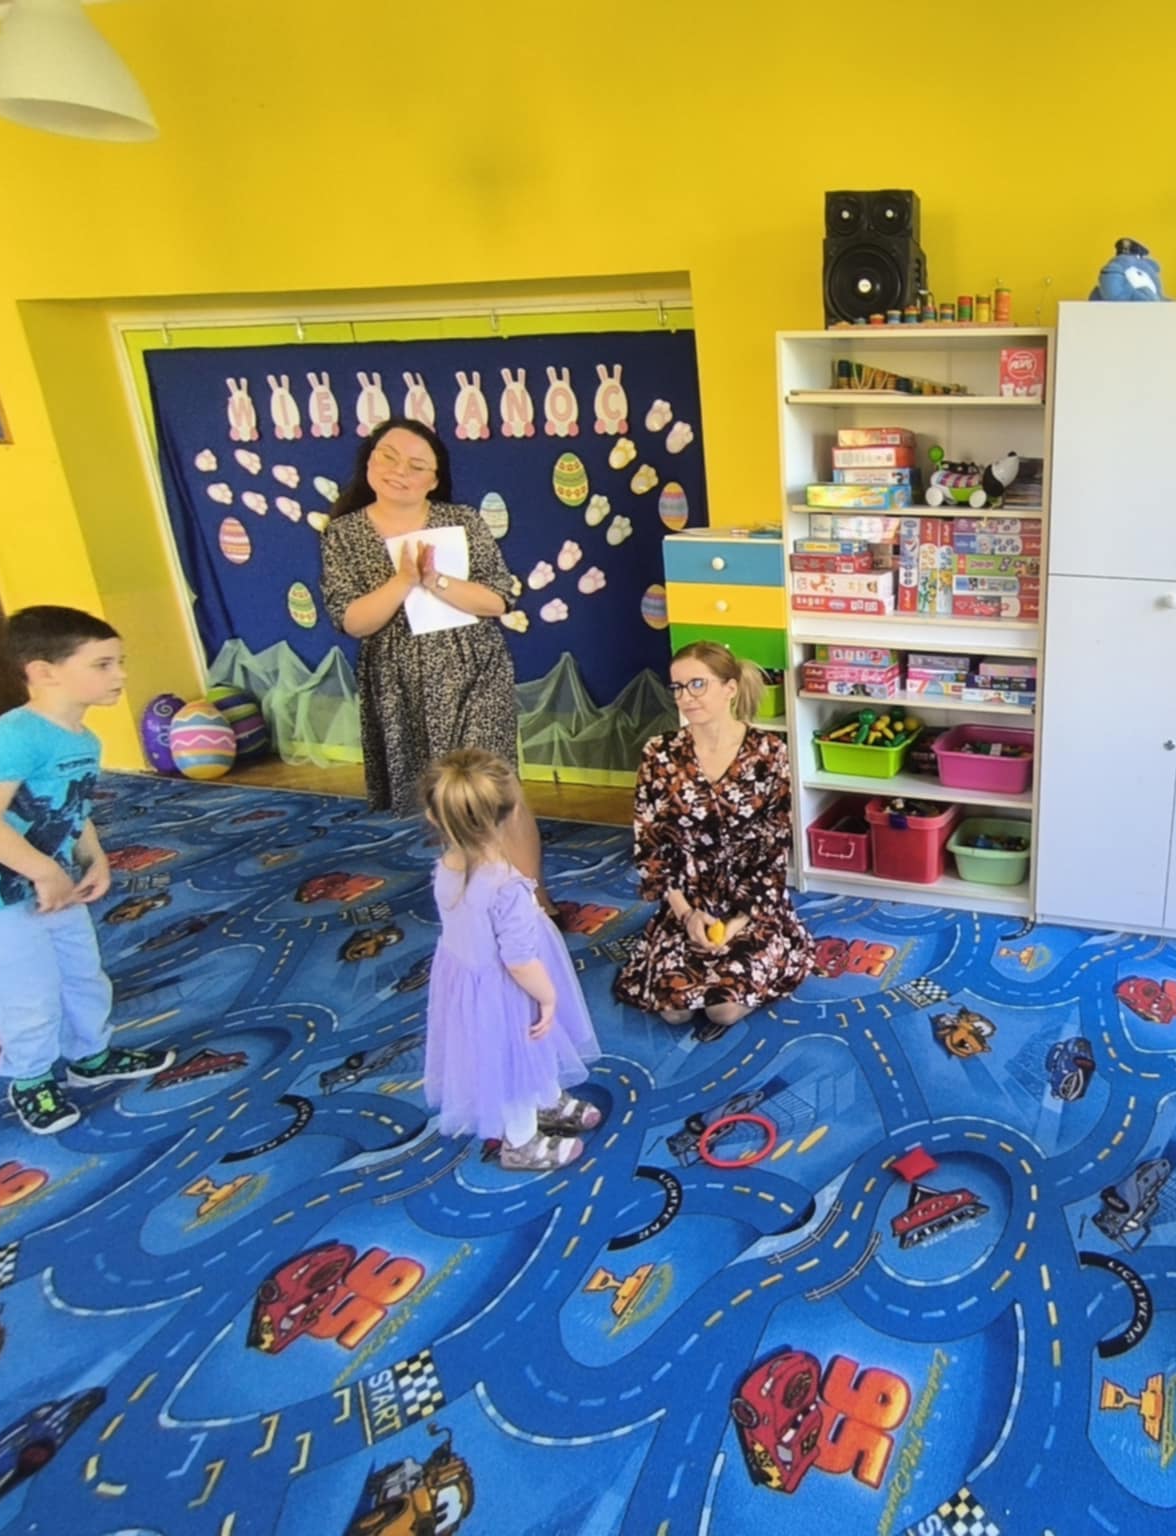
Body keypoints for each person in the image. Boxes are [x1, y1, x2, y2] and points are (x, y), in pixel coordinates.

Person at [320, 418, 552, 908]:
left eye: (416, 465)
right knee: (447, 794)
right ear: (368, 462)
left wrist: (435, 580)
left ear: (434, 478)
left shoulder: (462, 520)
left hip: (474, 666)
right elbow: (352, 620)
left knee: (496, 785)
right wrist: (402, 581)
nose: (399, 471)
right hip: (400, 678)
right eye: (388, 457)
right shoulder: (343, 533)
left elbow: (497, 600)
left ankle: (533, 898)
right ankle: (480, 895)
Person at [0, 607, 176, 1134]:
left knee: (80, 973)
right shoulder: (14, 736)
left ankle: (90, 1055)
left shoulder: (82, 739)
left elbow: (71, 809)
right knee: (25, 994)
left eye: (119, 662)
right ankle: (31, 1079)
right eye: (103, 664)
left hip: (54, 883)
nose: (120, 675)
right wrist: (43, 871)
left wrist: (92, 856)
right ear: (44, 672)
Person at [614, 642, 812, 1031]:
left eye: (697, 684)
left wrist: (739, 921)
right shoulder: (660, 753)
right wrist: (686, 914)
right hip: (688, 899)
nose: (686, 697)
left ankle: (768, 952)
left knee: (723, 1009)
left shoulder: (769, 752)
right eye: (678, 687)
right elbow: (650, 844)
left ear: (729, 688)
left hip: (750, 902)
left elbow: (774, 849)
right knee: (674, 1009)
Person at [420, 748, 601, 1172]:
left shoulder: (446, 866)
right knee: (517, 1058)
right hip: (510, 988)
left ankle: (547, 1099)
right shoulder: (507, 885)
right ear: (510, 814)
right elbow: (518, 960)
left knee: (527, 1052)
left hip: (467, 980)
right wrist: (549, 996)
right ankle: (521, 1142)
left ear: (434, 815)